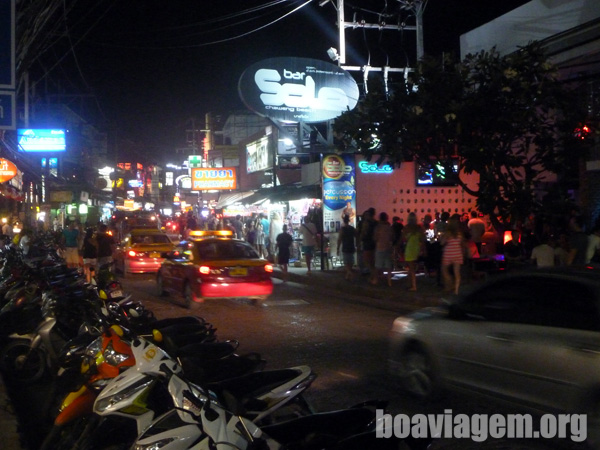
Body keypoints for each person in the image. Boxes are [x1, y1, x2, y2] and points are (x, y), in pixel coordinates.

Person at [440, 217, 465, 295]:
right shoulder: (459, 234)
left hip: (448, 253)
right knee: (457, 273)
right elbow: (462, 244)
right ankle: (456, 290)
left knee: (444, 270)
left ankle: (450, 282)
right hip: (458, 253)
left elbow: (442, 243)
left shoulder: (448, 233)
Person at [401, 212, 426, 292]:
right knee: (412, 267)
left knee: (411, 268)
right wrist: (423, 249)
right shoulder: (419, 228)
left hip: (409, 248)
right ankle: (409, 283)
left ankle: (413, 286)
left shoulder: (407, 227)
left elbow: (403, 239)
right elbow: (423, 239)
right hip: (416, 248)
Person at [373, 212, 394, 286]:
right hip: (388, 247)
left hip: (380, 246)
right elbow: (391, 237)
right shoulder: (389, 227)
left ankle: (375, 280)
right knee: (388, 266)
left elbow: (375, 238)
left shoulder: (378, 227)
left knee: (377, 265)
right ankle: (389, 282)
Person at [337, 214, 357, 280]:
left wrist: (337, 248)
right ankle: (349, 274)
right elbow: (357, 236)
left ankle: (349, 273)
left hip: (345, 246)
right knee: (351, 261)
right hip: (351, 246)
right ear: (348, 221)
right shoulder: (352, 229)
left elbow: (339, 239)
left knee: (346, 261)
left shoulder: (342, 229)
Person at [360, 208, 377, 278]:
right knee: (372, 261)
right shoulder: (376, 223)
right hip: (374, 243)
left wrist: (360, 239)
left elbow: (363, 233)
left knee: (367, 261)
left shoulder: (366, 223)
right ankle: (374, 276)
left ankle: (373, 276)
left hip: (367, 243)